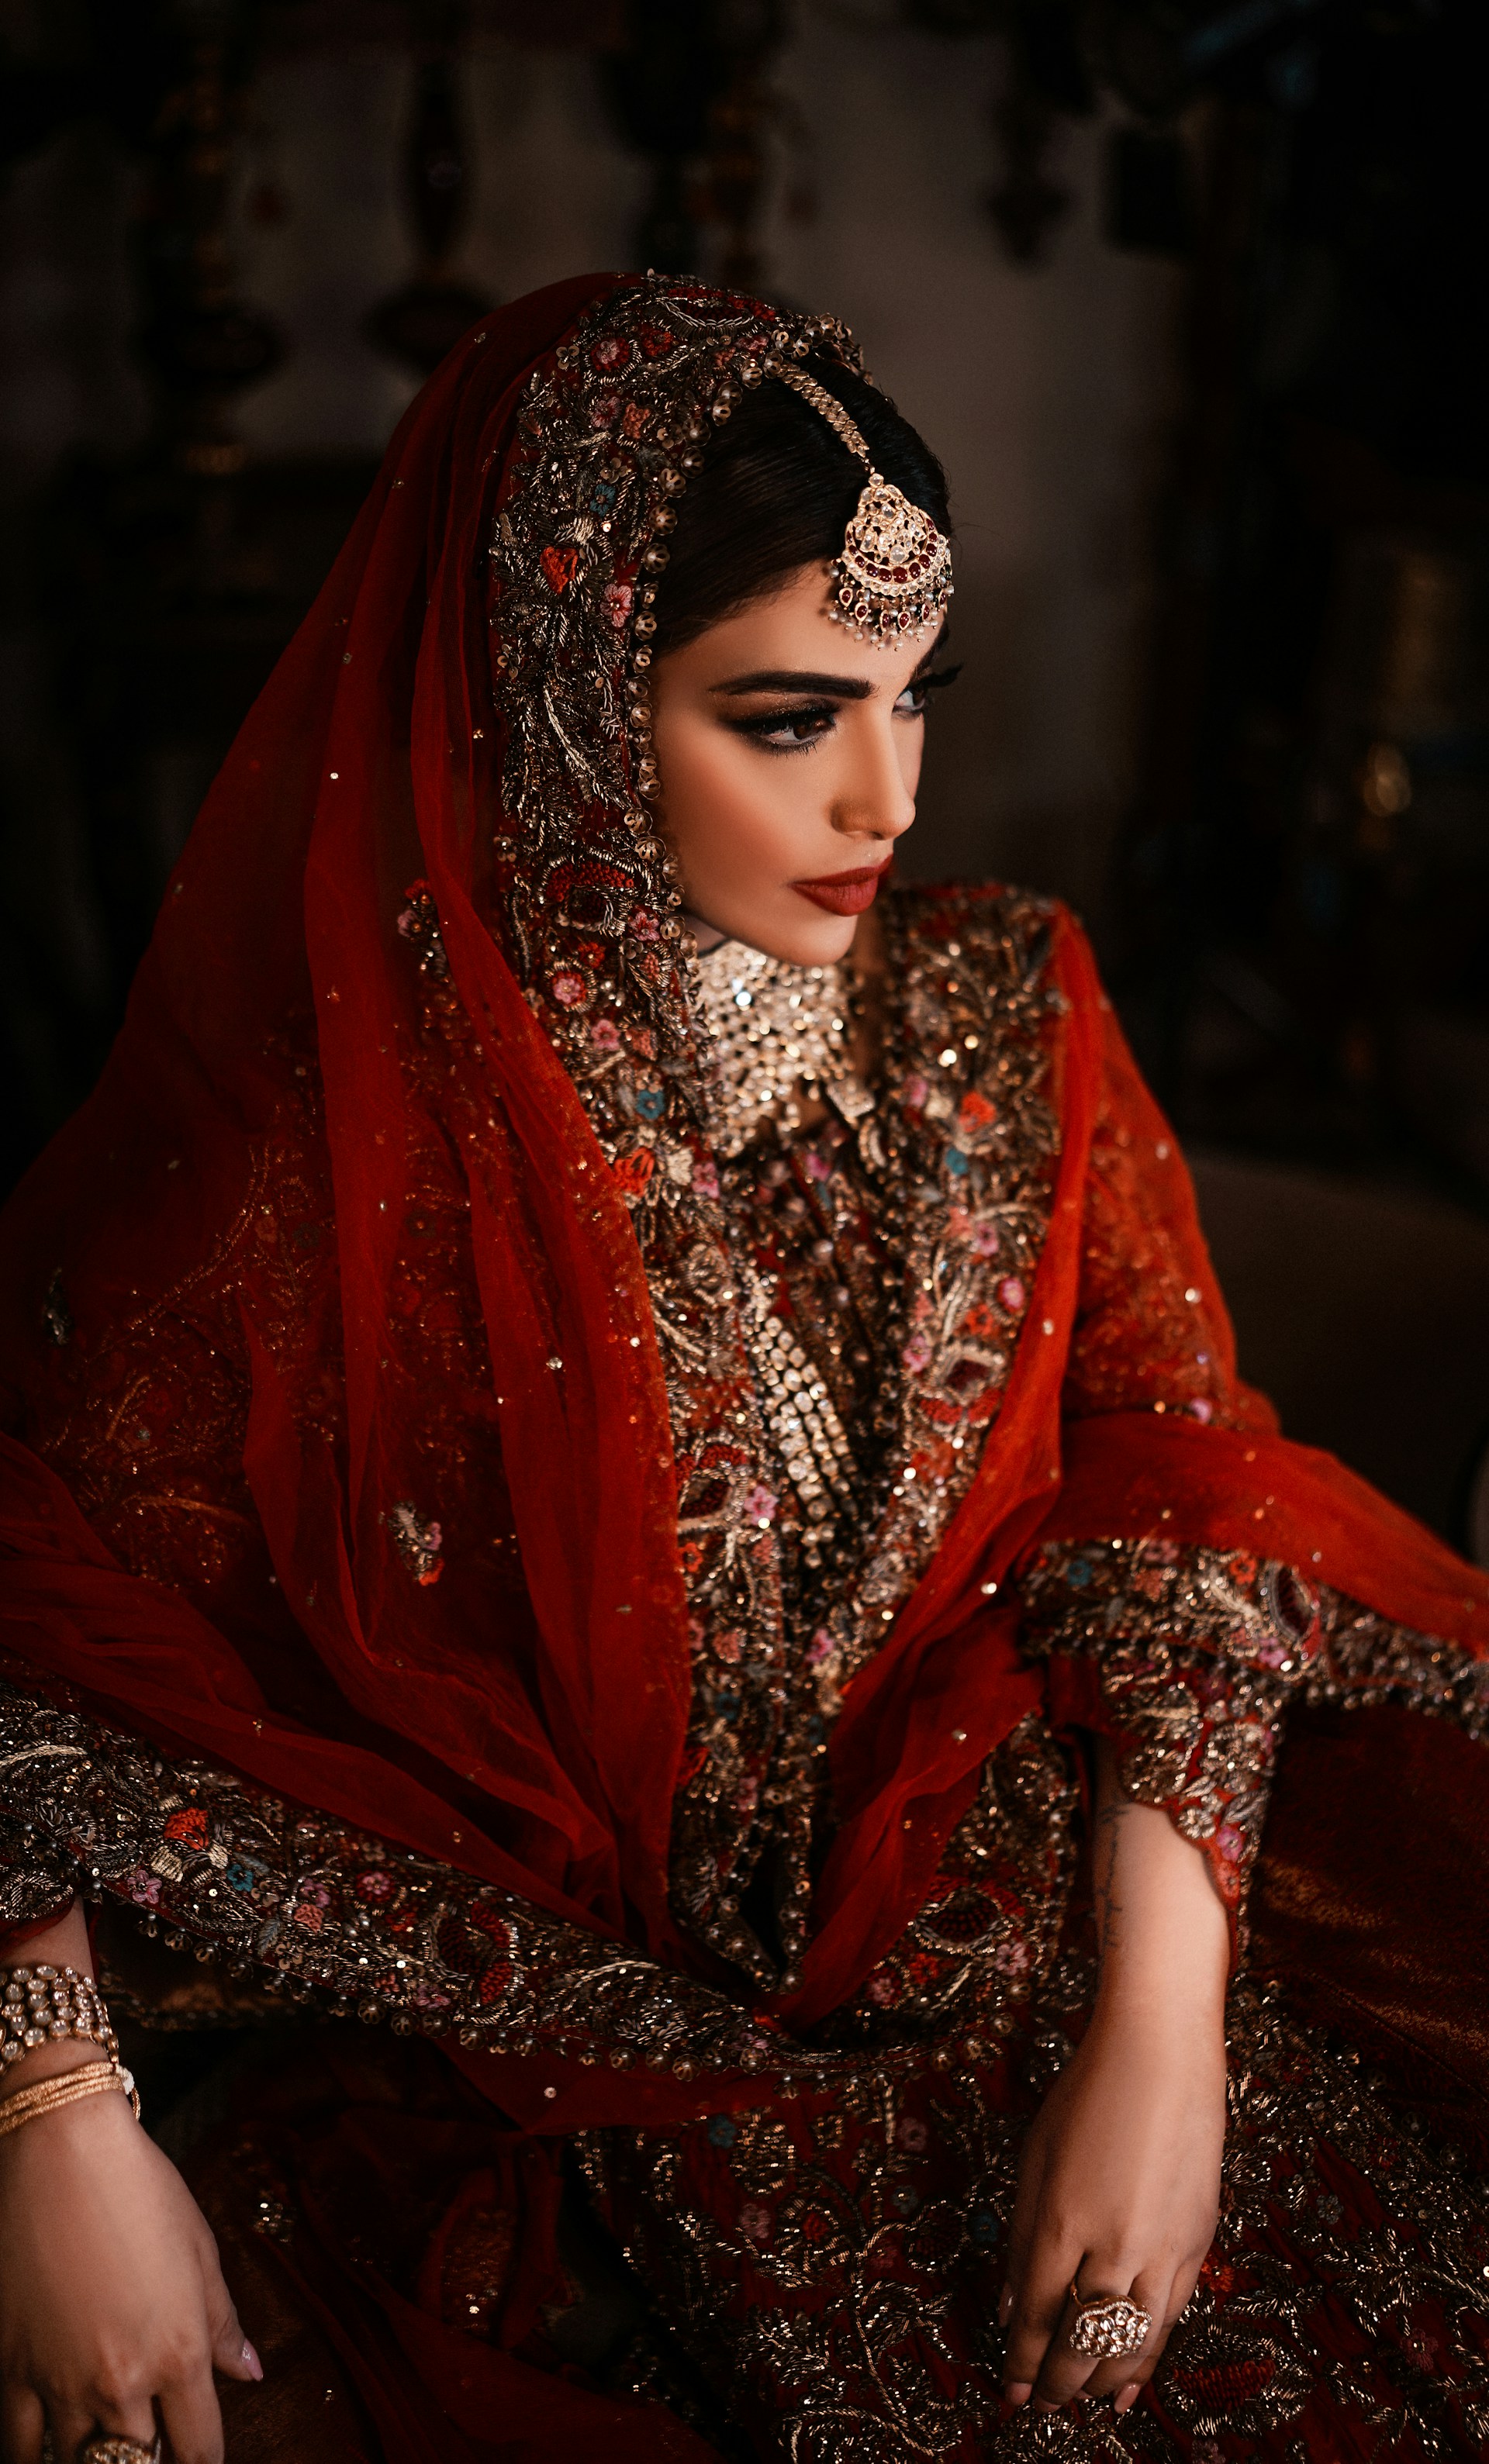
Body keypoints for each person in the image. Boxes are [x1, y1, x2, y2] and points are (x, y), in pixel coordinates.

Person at [0, 271, 1485, 2464]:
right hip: (518, 2090)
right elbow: (35, 1612)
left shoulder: (1005, 1015)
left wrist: (1159, 2024)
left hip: (1033, 1972)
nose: (889, 791)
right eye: (788, 713)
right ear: (570, 702)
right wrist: (50, 2115)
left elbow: (1182, 1476)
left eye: (920, 692)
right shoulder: (328, 1160)